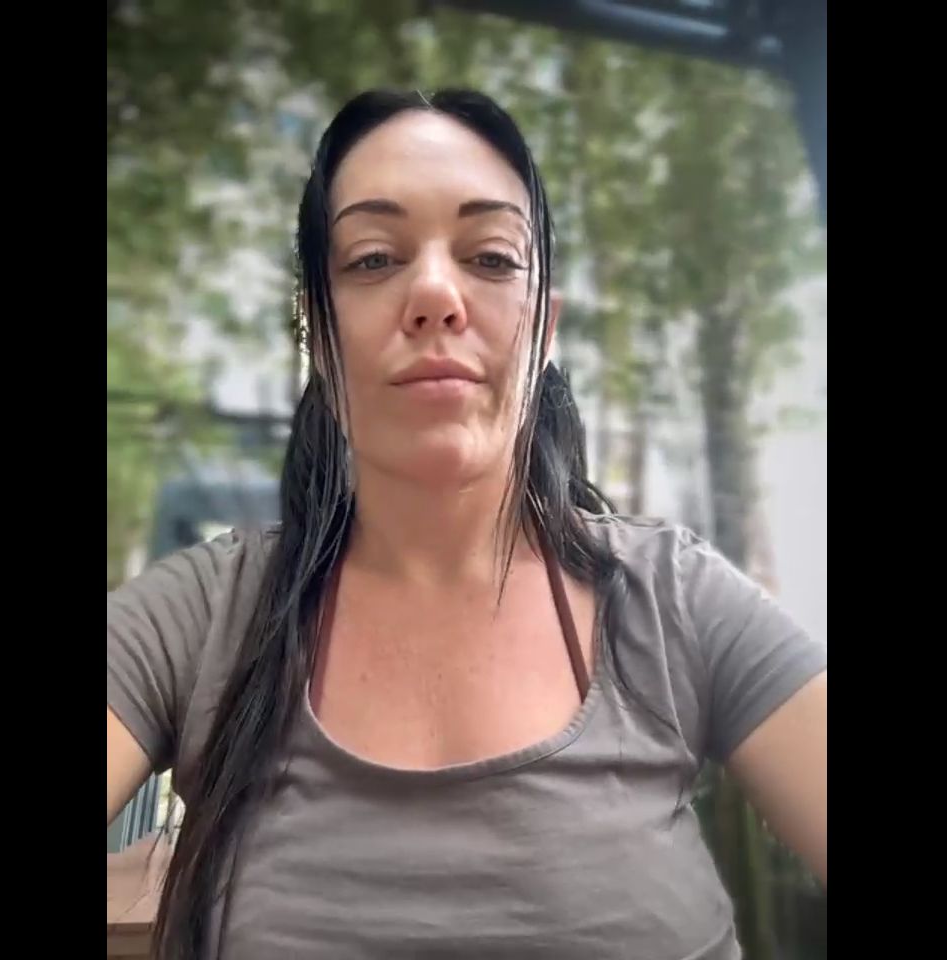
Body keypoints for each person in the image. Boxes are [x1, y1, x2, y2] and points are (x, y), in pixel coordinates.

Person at [107, 88, 827, 960]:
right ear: (318, 334)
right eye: (374, 259)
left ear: (545, 329)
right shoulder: (200, 618)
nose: (435, 294)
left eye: (490, 257)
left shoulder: (674, 598)